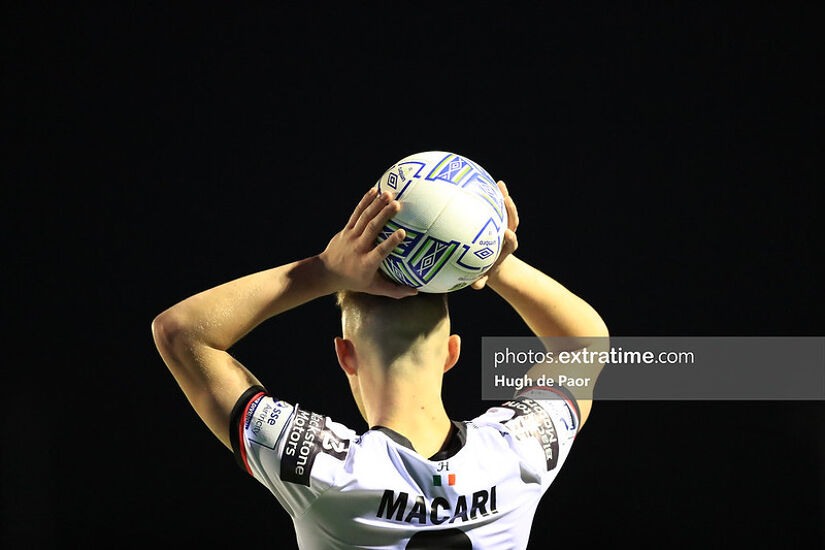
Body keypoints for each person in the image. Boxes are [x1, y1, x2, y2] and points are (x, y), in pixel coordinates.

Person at [152, 182, 608, 549]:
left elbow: (180, 332)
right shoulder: (517, 453)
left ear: (344, 354)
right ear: (452, 353)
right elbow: (585, 345)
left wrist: (324, 268)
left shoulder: (323, 471)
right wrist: (487, 259)